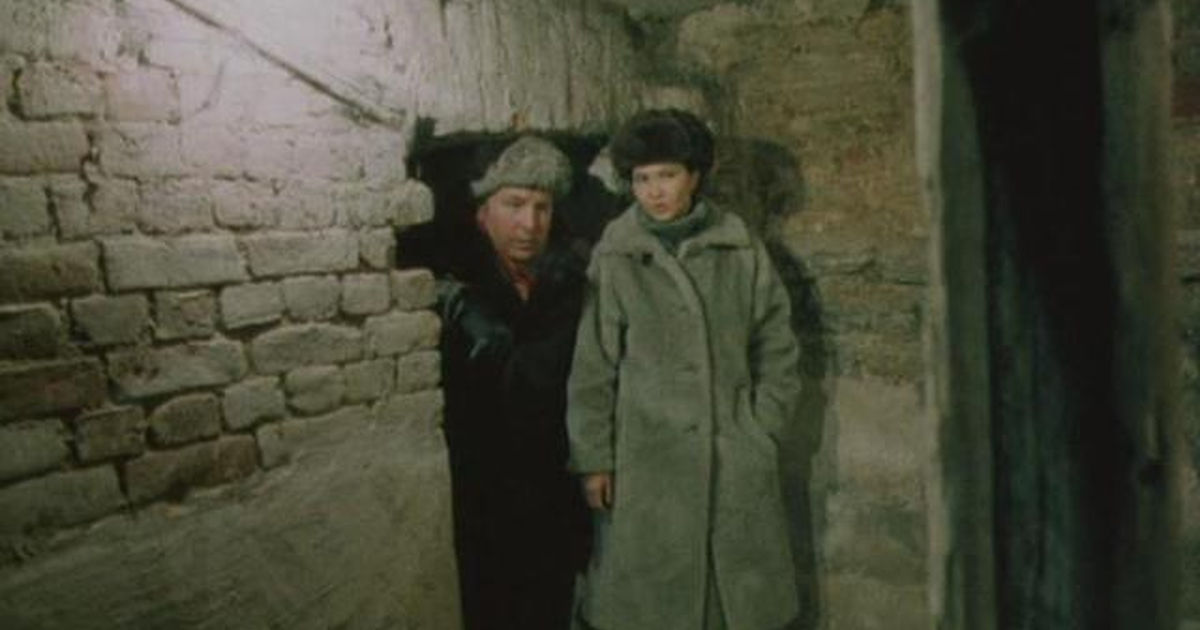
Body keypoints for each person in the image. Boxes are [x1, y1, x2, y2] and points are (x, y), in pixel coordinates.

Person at [567, 109, 803, 630]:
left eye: (667, 175)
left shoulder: (738, 247)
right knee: (654, 604)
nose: (654, 192)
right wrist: (595, 458)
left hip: (731, 452)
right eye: (641, 178)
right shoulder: (617, 255)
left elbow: (776, 344)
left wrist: (761, 430)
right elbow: (593, 366)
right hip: (646, 461)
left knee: (731, 602)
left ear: (694, 176)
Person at [438, 135, 591, 630]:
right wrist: (455, 302)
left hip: (554, 496)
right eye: (515, 204)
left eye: (542, 207)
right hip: (483, 501)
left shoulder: (572, 282)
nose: (530, 223)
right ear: (483, 213)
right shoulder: (456, 283)